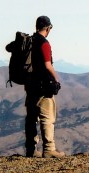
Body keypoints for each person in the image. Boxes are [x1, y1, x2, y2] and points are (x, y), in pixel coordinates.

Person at [25, 15, 64, 158]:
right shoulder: (44, 43)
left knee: (31, 118)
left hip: (30, 85)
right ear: (48, 28)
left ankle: (31, 149)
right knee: (47, 117)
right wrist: (56, 78)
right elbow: (48, 65)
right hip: (43, 87)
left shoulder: (29, 42)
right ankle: (48, 149)